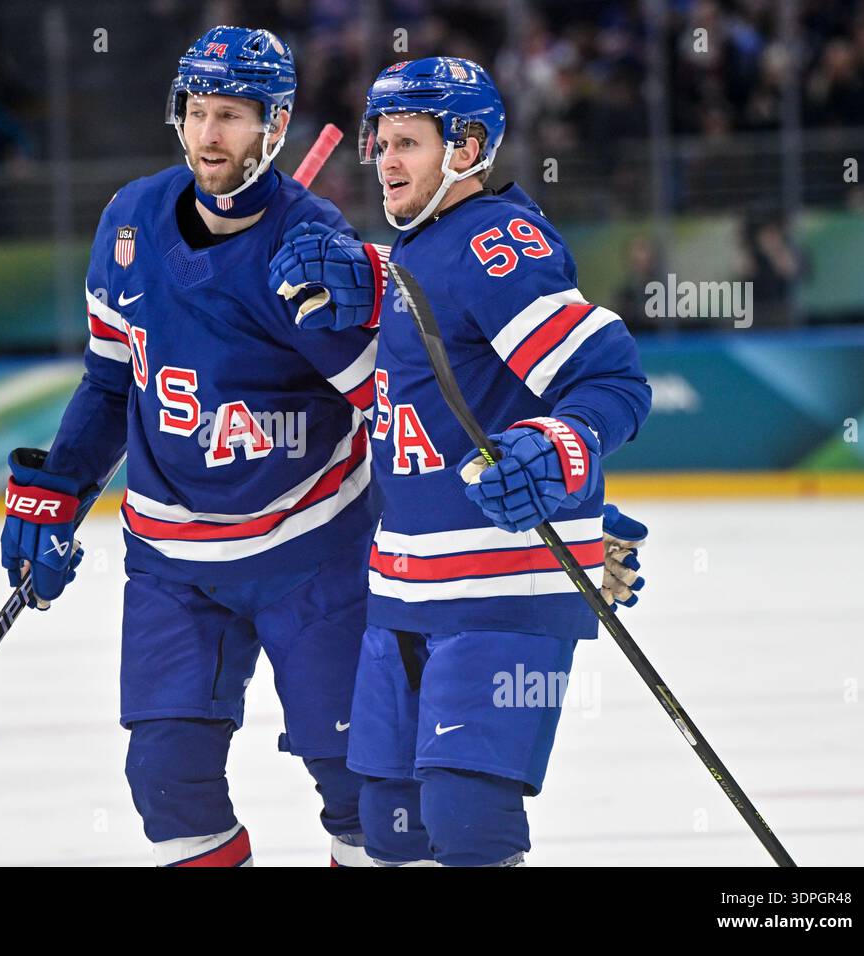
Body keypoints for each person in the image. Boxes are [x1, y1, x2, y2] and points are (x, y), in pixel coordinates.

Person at [0, 26, 381, 867]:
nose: (209, 135)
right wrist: (57, 489)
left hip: (313, 550)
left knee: (364, 790)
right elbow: (109, 384)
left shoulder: (312, 244)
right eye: (198, 112)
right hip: (173, 558)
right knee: (167, 783)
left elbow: (388, 405)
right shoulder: (129, 220)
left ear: (275, 126)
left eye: (233, 116)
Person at [269, 56, 652, 866]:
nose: (385, 160)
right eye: (379, 141)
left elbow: (610, 379)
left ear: (469, 146)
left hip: (502, 590)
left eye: (408, 141)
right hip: (404, 594)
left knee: (467, 817)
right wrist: (366, 276)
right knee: (388, 822)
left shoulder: (492, 243)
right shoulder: (425, 251)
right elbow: (449, 387)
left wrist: (561, 452)